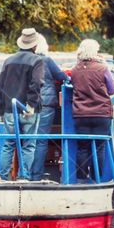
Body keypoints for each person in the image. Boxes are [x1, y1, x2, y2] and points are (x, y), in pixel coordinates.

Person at [0, 27, 45, 181]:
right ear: (35, 46)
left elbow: (0, 87)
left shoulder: (8, 61)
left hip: (10, 110)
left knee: (8, 144)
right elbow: (36, 83)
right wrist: (30, 105)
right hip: (28, 111)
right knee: (28, 145)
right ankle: (24, 177)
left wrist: (0, 111)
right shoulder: (37, 61)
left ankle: (3, 178)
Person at [71, 38, 114, 182]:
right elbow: (112, 90)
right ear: (95, 52)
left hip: (81, 114)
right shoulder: (103, 68)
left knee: (82, 147)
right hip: (101, 114)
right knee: (99, 147)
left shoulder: (75, 70)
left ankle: (81, 179)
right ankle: (97, 178)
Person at [30, 35, 69, 181]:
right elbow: (62, 76)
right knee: (41, 140)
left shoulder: (27, 61)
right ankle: (37, 176)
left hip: (28, 105)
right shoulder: (46, 60)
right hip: (45, 105)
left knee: (29, 140)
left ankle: (25, 174)